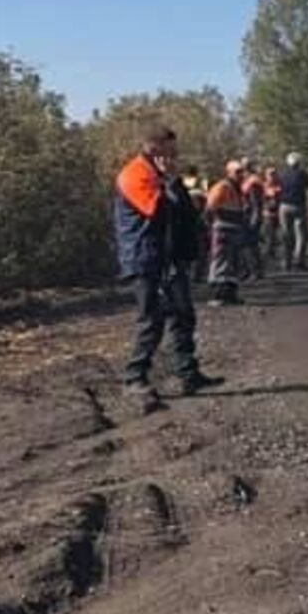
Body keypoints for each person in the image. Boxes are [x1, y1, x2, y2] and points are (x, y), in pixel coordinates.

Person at [113, 125, 220, 409]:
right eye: (171, 152)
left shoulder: (164, 177)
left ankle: (188, 373)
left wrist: (174, 183)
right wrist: (170, 185)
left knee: (183, 313)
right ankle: (134, 378)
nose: (176, 157)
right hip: (145, 258)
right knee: (152, 320)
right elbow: (159, 211)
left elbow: (186, 212)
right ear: (156, 151)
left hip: (168, 257)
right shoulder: (134, 175)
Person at [205, 160, 252, 306]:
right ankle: (218, 295)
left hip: (235, 229)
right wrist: (211, 225)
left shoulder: (237, 188)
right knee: (220, 263)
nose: (241, 175)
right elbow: (210, 208)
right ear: (229, 172)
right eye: (237, 172)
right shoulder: (222, 187)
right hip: (223, 229)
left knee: (233, 263)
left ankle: (231, 294)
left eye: (242, 172)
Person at [276, 152, 308, 272]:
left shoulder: (282, 174)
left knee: (286, 235)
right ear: (298, 162)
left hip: (284, 206)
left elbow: (278, 187)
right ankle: (299, 261)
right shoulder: (302, 174)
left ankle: (286, 262)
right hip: (298, 206)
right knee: (300, 235)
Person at [239, 161, 267, 280]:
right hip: (247, 215)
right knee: (249, 245)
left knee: (249, 245)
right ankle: (251, 270)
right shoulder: (247, 181)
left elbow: (256, 203)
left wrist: (255, 219)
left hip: (250, 216)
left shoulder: (252, 183)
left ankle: (254, 271)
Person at [260, 166, 283, 262]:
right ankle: (268, 253)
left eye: (274, 174)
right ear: (266, 176)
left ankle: (272, 251)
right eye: (270, 174)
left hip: (277, 212)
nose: (272, 176)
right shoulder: (263, 186)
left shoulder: (279, 185)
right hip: (267, 213)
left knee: (275, 234)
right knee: (268, 234)